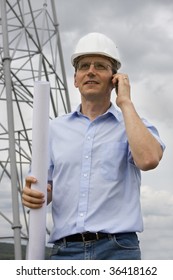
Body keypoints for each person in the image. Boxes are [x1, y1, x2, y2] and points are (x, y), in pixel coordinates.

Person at [22, 32, 165, 260]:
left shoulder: (133, 125)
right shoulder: (53, 130)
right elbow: (42, 188)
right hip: (65, 251)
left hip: (118, 250)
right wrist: (35, 194)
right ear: (76, 79)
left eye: (100, 66)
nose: (91, 71)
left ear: (115, 79)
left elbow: (148, 159)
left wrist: (125, 101)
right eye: (84, 66)